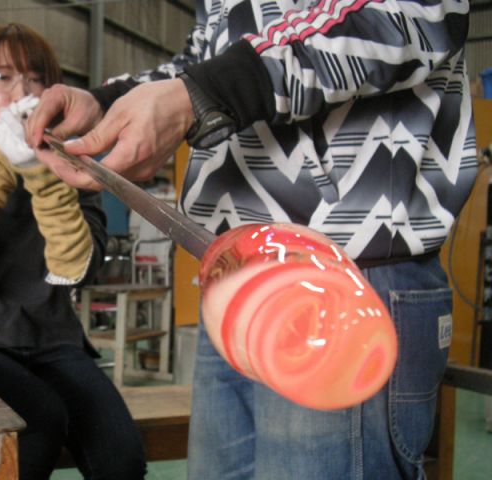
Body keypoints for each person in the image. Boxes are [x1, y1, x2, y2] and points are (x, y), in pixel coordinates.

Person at [27, 1, 478, 479]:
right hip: (238, 282)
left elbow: (409, 15)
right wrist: (108, 103)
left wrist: (202, 93)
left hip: (343, 277)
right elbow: (207, 55)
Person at [0, 23, 146, 480]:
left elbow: (78, 267)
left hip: (54, 341)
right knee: (37, 422)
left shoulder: (76, 174)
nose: (21, 92)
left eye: (35, 79)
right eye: (2, 77)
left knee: (121, 460)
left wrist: (40, 173)